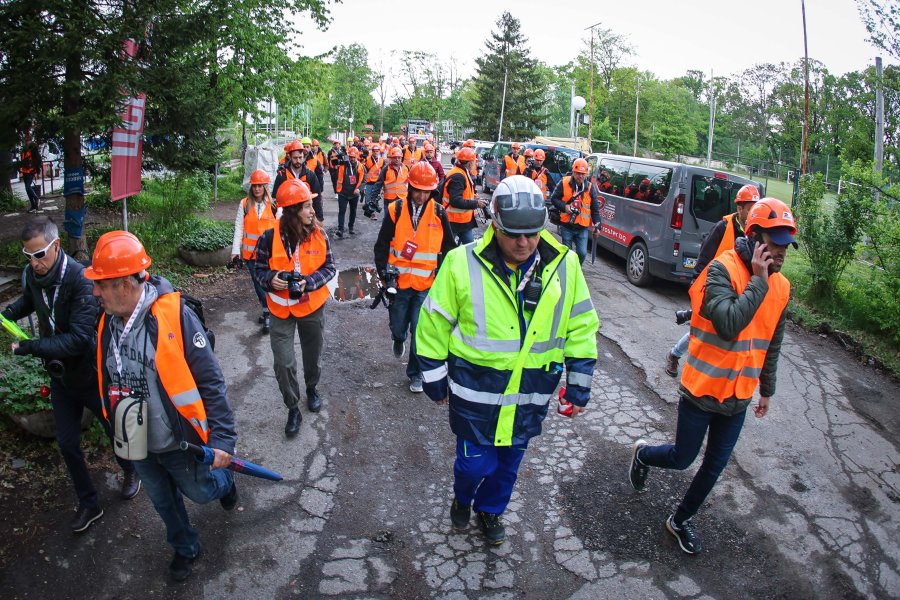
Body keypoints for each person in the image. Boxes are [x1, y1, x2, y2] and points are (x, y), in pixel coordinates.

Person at [417, 176, 600, 545]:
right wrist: (433, 379)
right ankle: (463, 496)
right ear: (495, 225)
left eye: (532, 234)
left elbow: (581, 324)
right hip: (475, 394)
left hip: (529, 394)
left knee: (507, 466)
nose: (524, 243)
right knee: (472, 465)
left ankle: (490, 511)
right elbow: (433, 323)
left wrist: (579, 385)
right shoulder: (460, 263)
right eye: (514, 234)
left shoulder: (566, 266)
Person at [629, 197, 797, 555]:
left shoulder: (782, 288)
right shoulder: (723, 270)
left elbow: (773, 341)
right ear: (753, 237)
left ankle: (679, 520)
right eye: (774, 242)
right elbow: (728, 323)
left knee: (714, 467)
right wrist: (759, 281)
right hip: (702, 390)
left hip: (739, 396)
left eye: (786, 245)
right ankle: (644, 456)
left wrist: (767, 388)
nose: (780, 252)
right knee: (682, 458)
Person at [86, 230, 237, 581]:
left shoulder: (174, 317)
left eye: (101, 284)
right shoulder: (107, 320)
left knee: (201, 492)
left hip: (179, 442)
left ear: (124, 284)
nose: (95, 292)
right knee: (163, 501)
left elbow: (211, 381)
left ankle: (226, 483)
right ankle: (186, 547)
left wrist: (222, 443)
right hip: (138, 443)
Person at [2, 217, 139, 533]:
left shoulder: (79, 280)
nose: (34, 263)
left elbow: (80, 338)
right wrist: (7, 313)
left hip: (91, 373)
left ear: (56, 246)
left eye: (40, 255)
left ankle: (131, 470)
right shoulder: (33, 275)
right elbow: (30, 301)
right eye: (28, 256)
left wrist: (30, 346)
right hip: (61, 378)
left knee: (113, 428)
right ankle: (89, 503)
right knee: (66, 443)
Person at [252, 180, 336, 437]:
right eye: (307, 206)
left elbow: (330, 268)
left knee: (313, 356)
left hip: (311, 307)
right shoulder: (268, 237)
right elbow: (258, 268)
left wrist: (309, 282)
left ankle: (311, 389)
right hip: (280, 311)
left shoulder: (319, 235)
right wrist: (270, 280)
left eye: (312, 205)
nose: (313, 211)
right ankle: (293, 408)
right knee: (283, 363)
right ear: (292, 211)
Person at [373, 162, 456, 392]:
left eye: (426, 191)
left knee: (420, 329)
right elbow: (381, 246)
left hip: (425, 286)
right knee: (399, 326)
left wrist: (442, 276)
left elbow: (449, 249)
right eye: (417, 190)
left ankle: (415, 373)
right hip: (398, 284)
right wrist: (383, 276)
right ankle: (398, 337)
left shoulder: (440, 213)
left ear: (432, 191)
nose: (421, 195)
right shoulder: (395, 210)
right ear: (410, 188)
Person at [665, 184, 761, 376]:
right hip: (714, 286)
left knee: (719, 332)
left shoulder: (755, 233)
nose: (752, 214)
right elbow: (704, 257)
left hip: (739, 290)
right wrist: (697, 286)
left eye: (755, 210)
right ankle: (676, 355)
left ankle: (681, 354)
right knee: (703, 329)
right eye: (750, 209)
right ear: (740, 208)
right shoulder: (723, 227)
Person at [231, 169, 278, 334]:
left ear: (265, 186)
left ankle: (269, 311)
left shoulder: (273, 205)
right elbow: (239, 228)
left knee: (268, 284)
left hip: (269, 255)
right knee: (258, 285)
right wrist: (235, 252)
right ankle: (267, 310)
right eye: (254, 186)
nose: (257, 189)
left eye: (260, 185)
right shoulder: (244, 204)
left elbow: (280, 229)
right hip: (250, 255)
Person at [550, 158, 602, 264]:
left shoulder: (590, 187)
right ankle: (568, 272)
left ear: (586, 174)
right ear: (573, 172)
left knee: (582, 253)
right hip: (566, 226)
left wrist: (597, 225)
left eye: (583, 173)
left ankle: (576, 270)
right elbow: (553, 199)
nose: (580, 176)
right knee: (567, 253)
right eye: (578, 173)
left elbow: (595, 209)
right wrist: (565, 207)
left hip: (582, 228)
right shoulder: (564, 183)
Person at [441, 146, 486, 245]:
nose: (475, 164)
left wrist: (473, 196)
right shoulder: (458, 176)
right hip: (454, 221)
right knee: (448, 249)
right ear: (470, 163)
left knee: (469, 248)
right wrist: (476, 203)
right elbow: (455, 201)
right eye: (474, 161)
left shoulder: (461, 172)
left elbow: (462, 194)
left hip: (462, 221)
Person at [273, 141, 322, 220]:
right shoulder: (282, 176)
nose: (298, 161)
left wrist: (320, 218)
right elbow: (275, 198)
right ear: (290, 157)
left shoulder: (310, 175)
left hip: (306, 217)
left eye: (300, 157)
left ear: (303, 156)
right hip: (288, 217)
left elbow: (317, 199)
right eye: (295, 158)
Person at [366, 146, 409, 219]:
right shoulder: (386, 169)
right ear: (391, 158)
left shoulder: (406, 168)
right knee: (387, 221)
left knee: (401, 221)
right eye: (395, 157)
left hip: (402, 200)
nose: (397, 159)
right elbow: (378, 185)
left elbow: (409, 184)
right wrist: (373, 199)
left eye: (399, 157)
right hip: (389, 200)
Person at [334, 146, 365, 238]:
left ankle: (351, 227)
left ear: (357, 157)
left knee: (353, 211)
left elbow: (363, 180)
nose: (352, 159)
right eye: (350, 157)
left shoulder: (360, 167)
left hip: (354, 194)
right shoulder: (343, 164)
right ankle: (340, 229)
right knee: (342, 211)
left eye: (354, 157)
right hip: (343, 193)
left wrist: (359, 189)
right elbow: (333, 163)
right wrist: (339, 157)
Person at [19, 140, 42, 212]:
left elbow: (37, 162)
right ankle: (33, 205)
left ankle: (36, 198)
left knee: (28, 186)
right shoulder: (24, 152)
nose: (27, 144)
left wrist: (37, 171)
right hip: (25, 172)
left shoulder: (33, 153)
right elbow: (23, 162)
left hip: (30, 172)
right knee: (27, 188)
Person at [364, 143, 385, 219]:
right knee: (368, 197)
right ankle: (368, 210)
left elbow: (383, 172)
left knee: (375, 198)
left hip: (377, 183)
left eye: (377, 151)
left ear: (379, 151)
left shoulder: (382, 160)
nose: (376, 153)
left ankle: (373, 213)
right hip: (369, 182)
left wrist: (383, 185)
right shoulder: (368, 160)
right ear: (372, 152)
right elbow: (364, 171)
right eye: (374, 151)